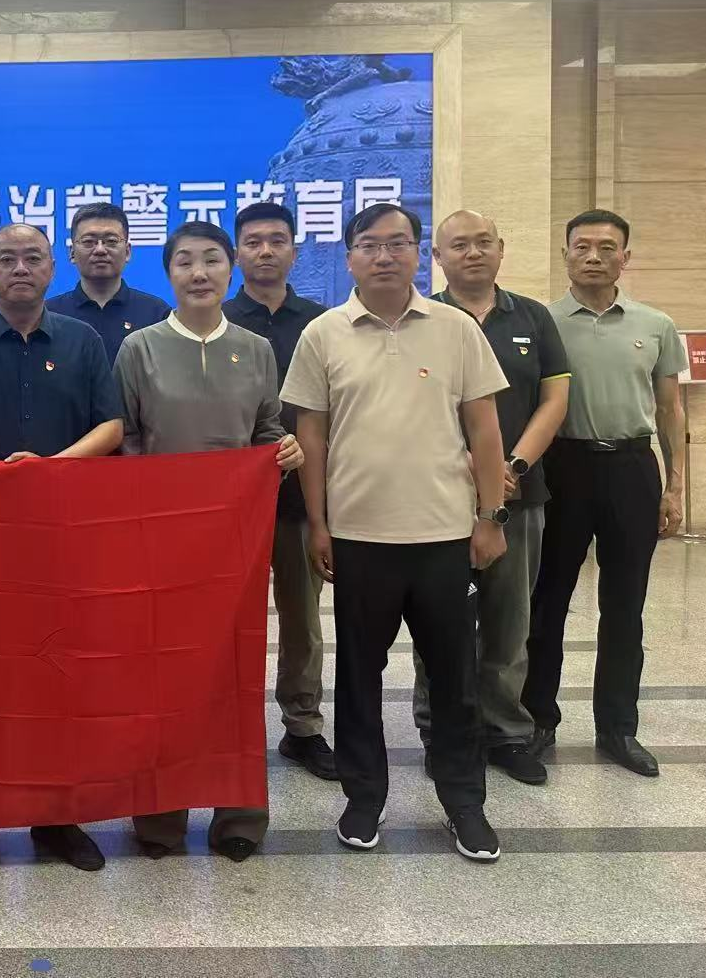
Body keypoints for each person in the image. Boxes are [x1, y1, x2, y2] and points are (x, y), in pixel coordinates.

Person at [282, 203, 510, 863]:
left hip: (444, 534)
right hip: (359, 537)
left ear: (418, 253)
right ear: (349, 256)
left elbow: (485, 429)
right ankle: (363, 797)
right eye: (370, 245)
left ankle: (464, 802)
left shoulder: (456, 328)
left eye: (398, 243)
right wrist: (319, 523)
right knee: (358, 676)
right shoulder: (324, 333)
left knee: (454, 678)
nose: (384, 256)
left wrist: (490, 515)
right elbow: (311, 436)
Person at [0, 222, 124, 876]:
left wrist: (49, 471)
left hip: (64, 537)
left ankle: (57, 817)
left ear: (51, 267)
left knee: (57, 676)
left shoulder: (83, 340)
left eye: (32, 257)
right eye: (6, 259)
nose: (19, 268)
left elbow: (111, 425)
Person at [115, 222, 304, 861]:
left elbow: (266, 429)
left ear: (230, 269)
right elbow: (126, 439)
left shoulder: (256, 349)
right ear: (168, 272)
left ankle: (240, 816)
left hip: (235, 543)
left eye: (212, 260)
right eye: (185, 262)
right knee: (162, 676)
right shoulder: (139, 348)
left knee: (235, 672)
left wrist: (283, 452)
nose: (199, 273)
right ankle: (159, 818)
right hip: (160, 540)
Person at [524, 209, 686, 779]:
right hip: (562, 468)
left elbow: (669, 409)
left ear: (626, 257)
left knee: (625, 605)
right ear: (565, 254)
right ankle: (537, 720)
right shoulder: (542, 322)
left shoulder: (656, 324)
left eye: (607, 247)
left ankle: (618, 727)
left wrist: (675, 485)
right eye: (582, 246)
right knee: (547, 601)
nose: (594, 257)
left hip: (632, 468)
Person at [426, 210, 571, 786]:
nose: (472, 252)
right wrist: (474, 466)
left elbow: (553, 401)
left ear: (502, 249)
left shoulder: (533, 317)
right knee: (441, 621)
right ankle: (440, 730)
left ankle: (507, 732)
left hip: (521, 493)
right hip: (441, 496)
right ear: (438, 257)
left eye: (483, 242)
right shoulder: (425, 318)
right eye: (458, 244)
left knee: (510, 622)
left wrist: (511, 466)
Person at [221, 201, 336, 782]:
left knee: (302, 621)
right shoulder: (213, 321)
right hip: (227, 505)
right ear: (236, 253)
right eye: (253, 241)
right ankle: (223, 725)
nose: (265, 251)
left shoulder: (321, 324)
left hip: (298, 500)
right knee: (221, 622)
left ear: (294, 248)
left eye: (276, 240)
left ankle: (303, 726)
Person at [46, 201, 167, 363]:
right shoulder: (49, 314)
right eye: (89, 242)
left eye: (111, 241)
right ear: (72, 253)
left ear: (127, 251)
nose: (100, 250)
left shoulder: (156, 313)